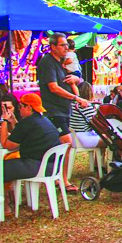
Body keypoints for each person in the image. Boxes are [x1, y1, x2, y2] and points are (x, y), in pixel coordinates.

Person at [0, 94, 62, 214]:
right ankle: (7, 198)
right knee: (4, 165)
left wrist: (4, 121)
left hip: (35, 165)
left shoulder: (28, 123)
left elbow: (6, 144)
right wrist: (13, 121)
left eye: (21, 106)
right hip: (52, 166)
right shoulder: (43, 120)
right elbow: (18, 136)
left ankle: (3, 206)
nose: (19, 109)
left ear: (29, 107)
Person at [37, 32, 88, 193]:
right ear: (53, 46)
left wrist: (77, 80)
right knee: (66, 144)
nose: (67, 47)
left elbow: (72, 80)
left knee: (62, 145)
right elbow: (53, 87)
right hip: (53, 110)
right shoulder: (47, 62)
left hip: (64, 110)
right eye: (63, 45)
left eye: (67, 45)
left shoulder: (61, 63)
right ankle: (62, 180)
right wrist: (76, 98)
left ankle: (59, 178)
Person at [69, 82, 103, 148]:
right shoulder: (86, 106)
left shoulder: (71, 105)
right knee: (108, 140)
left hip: (72, 137)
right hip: (83, 138)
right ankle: (101, 158)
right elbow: (95, 124)